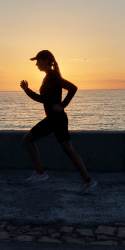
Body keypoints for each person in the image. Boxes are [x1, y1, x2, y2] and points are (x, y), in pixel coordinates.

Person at [20, 50, 97, 194]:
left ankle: (40, 173)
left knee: (27, 140)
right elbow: (46, 98)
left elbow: (71, 89)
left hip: (55, 119)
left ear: (45, 60)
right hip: (56, 119)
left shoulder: (53, 76)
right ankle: (88, 180)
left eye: (38, 61)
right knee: (68, 149)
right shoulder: (49, 77)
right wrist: (27, 90)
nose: (36, 64)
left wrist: (62, 105)